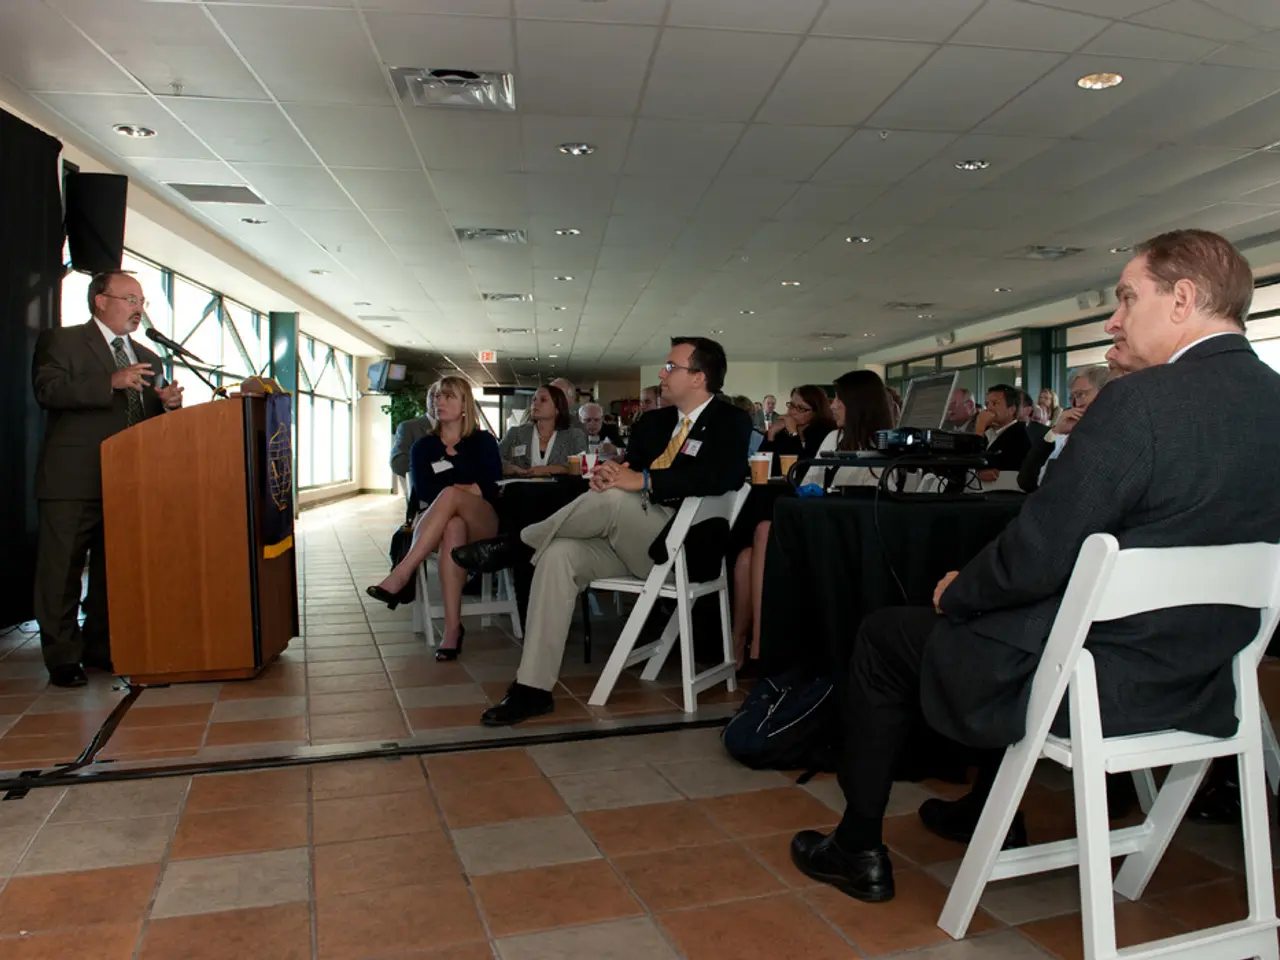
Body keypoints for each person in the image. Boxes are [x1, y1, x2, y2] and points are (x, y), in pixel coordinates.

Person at [788, 228, 1280, 904]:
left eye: (1127, 297)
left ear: (1184, 298)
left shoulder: (1138, 402)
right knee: (1007, 614)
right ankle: (983, 809)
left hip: (1093, 682)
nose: (1113, 319)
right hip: (1205, 681)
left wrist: (959, 593)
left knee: (886, 635)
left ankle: (856, 847)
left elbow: (1038, 553)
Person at [452, 337, 752, 725]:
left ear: (699, 377)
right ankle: (532, 689)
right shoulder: (654, 422)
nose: (662, 373)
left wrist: (643, 482)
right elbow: (631, 469)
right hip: (629, 538)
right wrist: (612, 473)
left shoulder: (731, 421)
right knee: (559, 555)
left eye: (671, 366)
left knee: (614, 501)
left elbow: (724, 475)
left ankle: (516, 544)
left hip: (680, 548)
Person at [32, 270, 184, 687]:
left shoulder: (148, 357)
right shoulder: (61, 341)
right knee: (61, 570)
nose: (139, 308)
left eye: (142, 301)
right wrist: (110, 381)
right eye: (131, 299)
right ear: (101, 300)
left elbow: (143, 419)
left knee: (112, 570)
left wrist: (167, 405)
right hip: (72, 479)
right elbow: (48, 391)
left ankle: (101, 646)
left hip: (127, 481)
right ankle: (62, 657)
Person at [733, 372, 893, 666]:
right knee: (745, 557)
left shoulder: (885, 449)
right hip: (819, 526)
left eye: (839, 400)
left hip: (847, 539)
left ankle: (758, 644)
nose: (833, 407)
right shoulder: (835, 438)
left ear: (857, 404)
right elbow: (808, 483)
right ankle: (741, 641)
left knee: (764, 530)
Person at [367, 376, 500, 661]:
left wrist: (457, 471)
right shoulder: (424, 447)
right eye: (438, 396)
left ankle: (402, 573)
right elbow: (425, 489)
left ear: (465, 403)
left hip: (483, 521)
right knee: (453, 524)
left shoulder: (483, 441)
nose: (440, 402)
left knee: (450, 496)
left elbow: (489, 485)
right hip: (443, 526)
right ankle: (452, 631)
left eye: (449, 396)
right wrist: (467, 485)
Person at [1018, 367, 1114, 493]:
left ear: (1106, 393)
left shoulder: (1115, 434)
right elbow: (1026, 481)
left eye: (1080, 395)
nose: (1075, 404)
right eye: (1072, 397)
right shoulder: (1064, 432)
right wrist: (1055, 432)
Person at [499, 384, 586, 477]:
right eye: (534, 399)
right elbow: (495, 461)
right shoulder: (515, 433)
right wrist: (512, 469)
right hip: (522, 489)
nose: (535, 403)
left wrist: (550, 470)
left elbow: (584, 467)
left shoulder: (574, 436)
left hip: (560, 490)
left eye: (543, 400)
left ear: (557, 409)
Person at [761, 385, 835, 475]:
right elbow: (760, 470)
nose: (792, 411)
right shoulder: (781, 432)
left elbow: (804, 470)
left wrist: (793, 433)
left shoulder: (825, 433)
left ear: (816, 412)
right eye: (791, 405)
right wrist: (770, 436)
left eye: (800, 408)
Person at [973, 384, 1031, 481]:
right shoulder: (988, 433)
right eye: (987, 404)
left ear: (1011, 410)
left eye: (995, 404)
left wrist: (979, 429)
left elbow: (994, 466)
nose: (989, 409)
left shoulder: (1019, 436)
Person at [389, 382, 438, 480]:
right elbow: (398, 463)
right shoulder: (409, 427)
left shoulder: (462, 430)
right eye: (431, 396)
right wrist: (437, 467)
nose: (434, 400)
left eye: (441, 396)